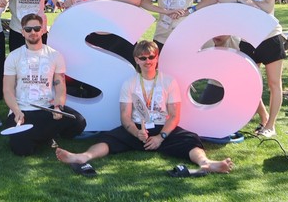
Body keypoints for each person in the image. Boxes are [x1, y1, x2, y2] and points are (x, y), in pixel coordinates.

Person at [55, 41, 233, 175]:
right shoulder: (129, 83)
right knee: (109, 137)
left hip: (162, 129)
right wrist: (135, 133)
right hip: (137, 129)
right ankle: (82, 157)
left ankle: (206, 163)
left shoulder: (168, 81)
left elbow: (174, 116)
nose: (147, 61)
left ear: (157, 58)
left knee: (190, 138)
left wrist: (160, 137)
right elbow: (125, 116)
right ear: (136, 60)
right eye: (143, 58)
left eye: (151, 57)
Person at [219, 0, 285, 138]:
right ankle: (264, 118)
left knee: (274, 83)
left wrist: (252, 3)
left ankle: (271, 125)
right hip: (247, 40)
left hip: (269, 37)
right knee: (249, 83)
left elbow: (269, 8)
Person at [2, 13, 87, 156]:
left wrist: (58, 106)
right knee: (22, 150)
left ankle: (39, 135)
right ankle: (44, 136)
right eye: (28, 29)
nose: (33, 32)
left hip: (46, 108)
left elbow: (60, 87)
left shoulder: (55, 55)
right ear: (22, 32)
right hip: (22, 110)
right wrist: (16, 111)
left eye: (36, 28)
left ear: (42, 30)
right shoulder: (13, 57)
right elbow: (7, 90)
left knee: (79, 122)